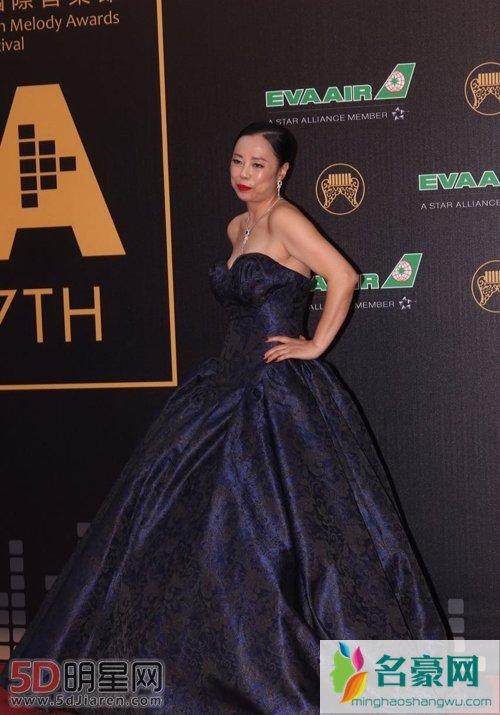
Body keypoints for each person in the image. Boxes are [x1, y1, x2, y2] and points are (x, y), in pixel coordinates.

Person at [0, 122, 448, 714]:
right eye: (237, 160)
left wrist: (314, 344)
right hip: (219, 392)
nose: (244, 173)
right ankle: (196, 677)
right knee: (190, 534)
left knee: (286, 541)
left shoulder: (287, 221)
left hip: (274, 395)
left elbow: (343, 276)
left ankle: (319, 682)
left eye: (258, 164)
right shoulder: (237, 228)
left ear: (282, 172)